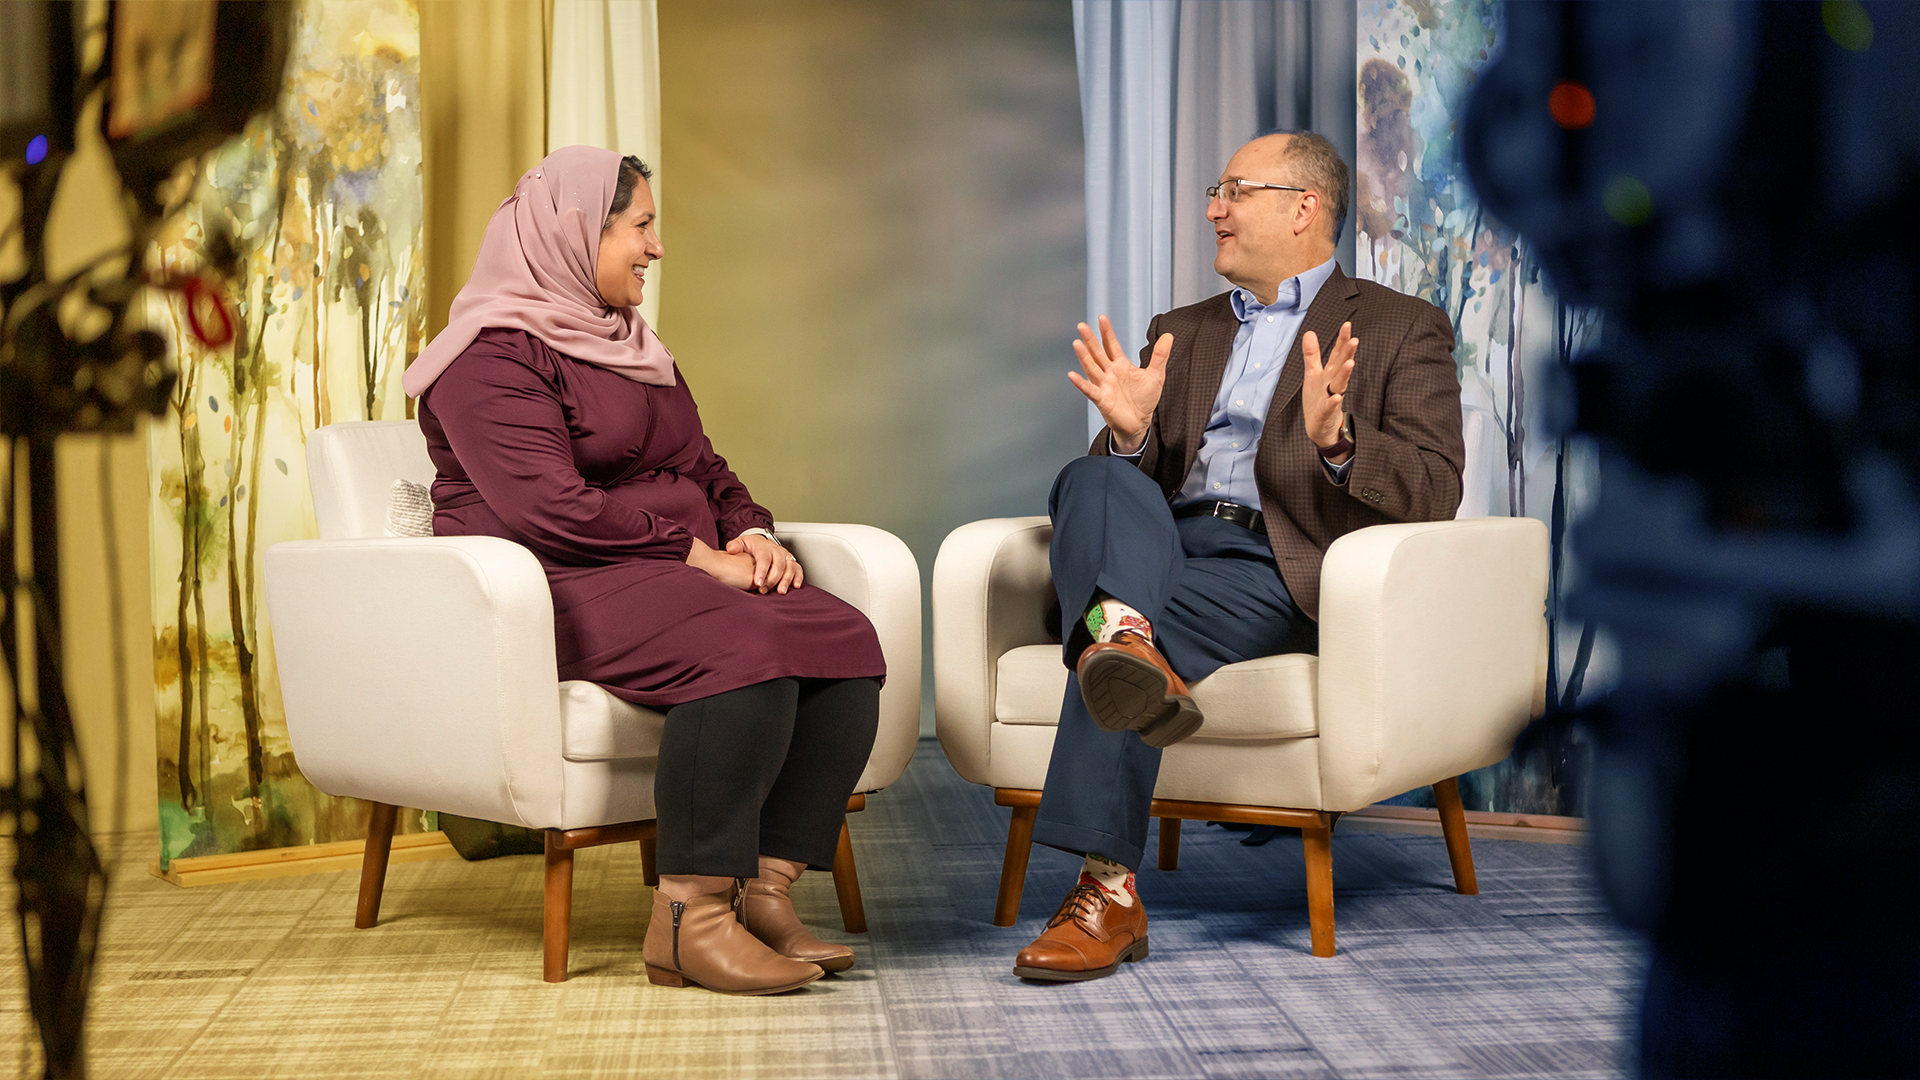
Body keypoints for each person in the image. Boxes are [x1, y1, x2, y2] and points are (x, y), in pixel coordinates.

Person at [402, 146, 885, 996]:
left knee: (842, 637)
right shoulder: (487, 356)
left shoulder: (629, 342)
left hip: (661, 573)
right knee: (742, 648)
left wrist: (754, 532)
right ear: (575, 232)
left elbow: (705, 464)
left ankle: (762, 892)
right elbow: (548, 506)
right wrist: (700, 556)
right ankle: (686, 922)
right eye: (641, 226)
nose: (656, 247)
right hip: (556, 580)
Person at [1013, 131, 1466, 982]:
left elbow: (1437, 487)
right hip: (1161, 547)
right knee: (1092, 477)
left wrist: (1340, 444)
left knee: (1118, 642)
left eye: (1235, 191)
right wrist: (1131, 436)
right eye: (1215, 192)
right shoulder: (1179, 331)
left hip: (1273, 566)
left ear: (1305, 209)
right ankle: (1124, 632)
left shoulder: (1403, 328)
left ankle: (1105, 890)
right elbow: (1127, 493)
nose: (1213, 209)